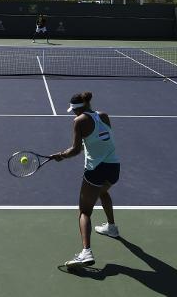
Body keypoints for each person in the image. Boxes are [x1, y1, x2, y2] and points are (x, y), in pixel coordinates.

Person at [51, 91, 121, 269]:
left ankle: (86, 252)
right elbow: (99, 140)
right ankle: (111, 228)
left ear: (77, 109)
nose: (73, 114)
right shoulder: (103, 116)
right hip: (114, 168)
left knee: (84, 211)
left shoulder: (79, 121)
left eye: (73, 111)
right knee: (103, 191)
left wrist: (60, 155)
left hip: (95, 170)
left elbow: (75, 150)